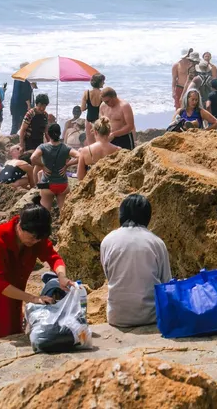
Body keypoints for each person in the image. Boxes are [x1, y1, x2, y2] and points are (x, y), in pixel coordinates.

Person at [0, 205, 71, 342]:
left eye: (39, 239)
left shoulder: (36, 236)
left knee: (10, 329)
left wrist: (62, 277)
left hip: (13, 290)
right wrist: (33, 298)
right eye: (32, 238)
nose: (35, 242)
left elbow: (54, 258)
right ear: (20, 226)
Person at [100, 192, 171, 329]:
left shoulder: (107, 241)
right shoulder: (156, 242)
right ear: (147, 216)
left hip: (117, 317)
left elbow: (108, 274)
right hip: (151, 316)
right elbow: (166, 283)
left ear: (121, 214)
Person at [35, 123, 72, 211]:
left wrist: (42, 166)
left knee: (44, 212)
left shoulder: (43, 147)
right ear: (59, 133)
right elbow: (79, 155)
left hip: (47, 184)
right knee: (63, 212)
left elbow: (33, 158)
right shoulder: (66, 147)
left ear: (48, 134)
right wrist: (67, 165)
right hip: (62, 184)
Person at [73, 116, 120, 181]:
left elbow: (80, 177)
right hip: (110, 188)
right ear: (109, 132)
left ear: (95, 132)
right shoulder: (118, 150)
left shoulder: (85, 151)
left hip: (94, 188)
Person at [80, 73, 105, 144]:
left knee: (91, 143)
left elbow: (82, 108)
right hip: (99, 121)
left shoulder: (86, 93)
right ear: (99, 82)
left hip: (89, 120)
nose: (104, 83)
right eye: (103, 81)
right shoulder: (102, 94)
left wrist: (89, 106)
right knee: (100, 142)